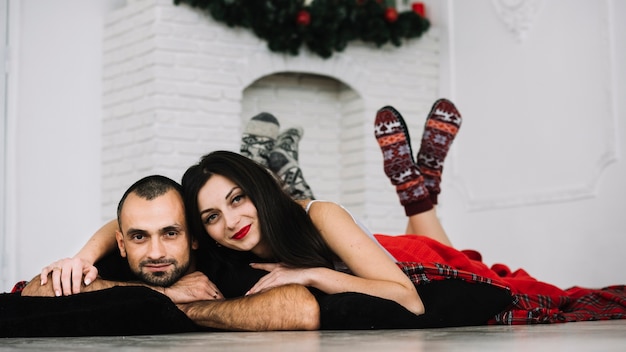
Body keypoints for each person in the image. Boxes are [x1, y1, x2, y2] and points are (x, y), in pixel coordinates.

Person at [21, 174, 319, 331]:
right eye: (139, 236)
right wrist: (163, 296)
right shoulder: (115, 263)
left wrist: (189, 309)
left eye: (170, 233)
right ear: (122, 244)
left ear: (194, 238)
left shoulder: (220, 260)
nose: (155, 252)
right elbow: (37, 290)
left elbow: (300, 308)